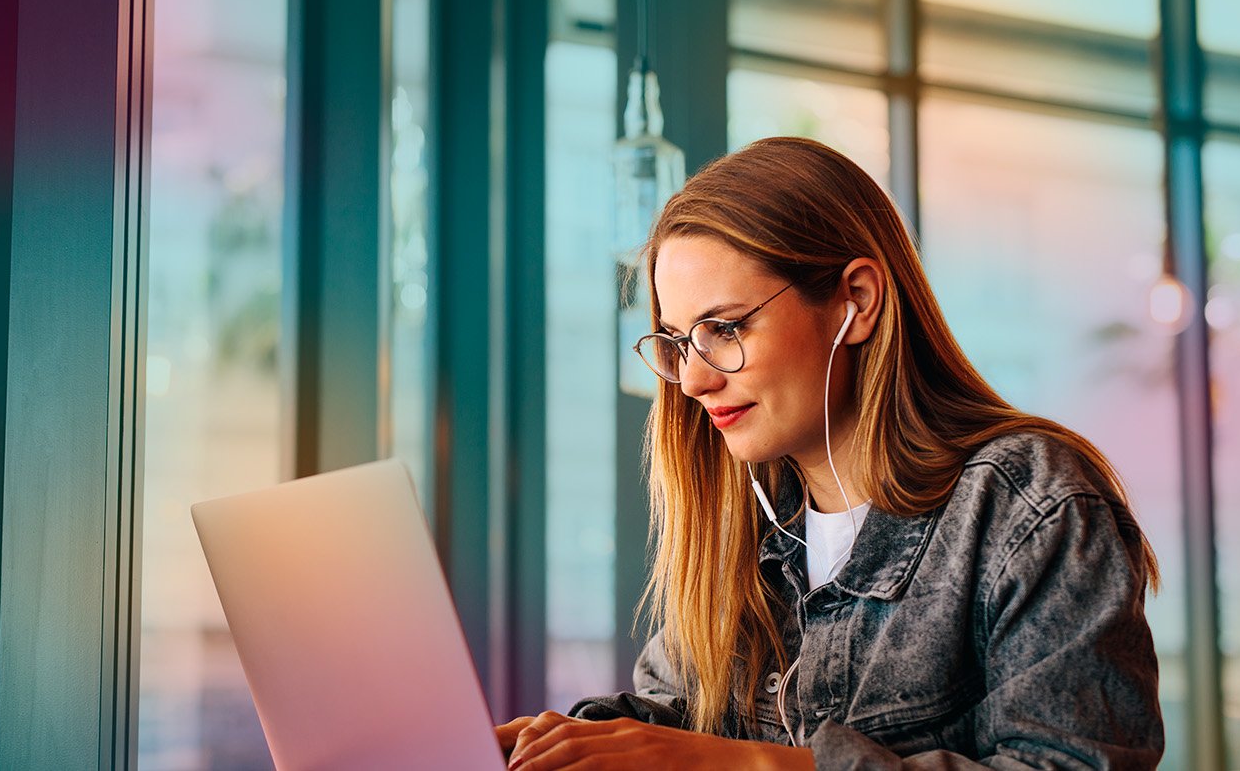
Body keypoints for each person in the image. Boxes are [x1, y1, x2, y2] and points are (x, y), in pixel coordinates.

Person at [497, 137, 1163, 769]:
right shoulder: (741, 525)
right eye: (676, 340)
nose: (694, 380)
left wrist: (749, 765)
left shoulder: (1027, 504)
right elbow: (678, 719)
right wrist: (559, 743)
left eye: (724, 328)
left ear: (858, 301)